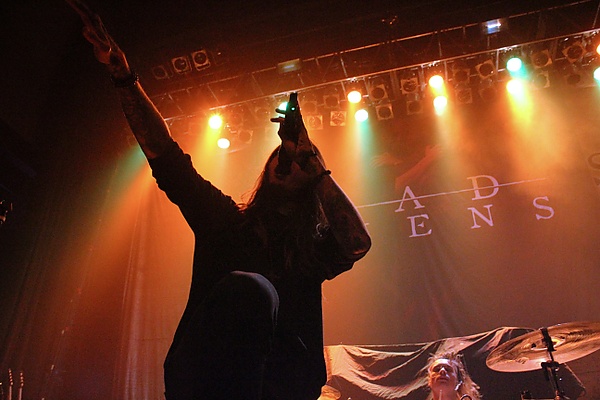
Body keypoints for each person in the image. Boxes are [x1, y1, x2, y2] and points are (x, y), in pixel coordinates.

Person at [66, 1, 372, 399]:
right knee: (250, 288)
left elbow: (357, 243)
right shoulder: (226, 222)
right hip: (203, 379)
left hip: (281, 387)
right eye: (282, 155)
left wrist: (314, 163)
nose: (287, 160)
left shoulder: (311, 251)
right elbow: (166, 157)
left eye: (299, 161)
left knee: (257, 291)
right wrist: (124, 76)